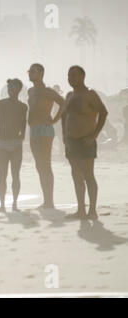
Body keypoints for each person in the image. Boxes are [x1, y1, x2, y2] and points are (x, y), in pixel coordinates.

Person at [63, 66, 108, 220]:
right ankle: (81, 210)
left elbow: (103, 112)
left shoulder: (90, 94)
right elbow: (65, 115)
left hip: (86, 140)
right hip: (71, 141)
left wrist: (94, 135)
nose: (70, 78)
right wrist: (64, 135)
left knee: (88, 175)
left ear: (83, 76)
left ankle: (92, 210)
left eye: (74, 75)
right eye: (69, 75)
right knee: (76, 175)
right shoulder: (69, 95)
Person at [0, 79, 28, 212]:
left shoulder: (23, 107)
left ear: (19, 90)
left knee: (15, 174)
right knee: (2, 175)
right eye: (9, 87)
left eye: (13, 87)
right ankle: (2, 205)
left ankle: (14, 203)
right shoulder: (0, 104)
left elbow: (23, 122)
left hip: (15, 144)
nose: (10, 89)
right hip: (3, 144)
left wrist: (23, 134)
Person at [27, 63, 65, 209]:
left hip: (44, 129)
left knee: (45, 164)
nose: (30, 74)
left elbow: (63, 103)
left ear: (41, 73)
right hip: (33, 129)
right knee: (39, 165)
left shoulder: (48, 91)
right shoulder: (30, 91)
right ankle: (46, 200)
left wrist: (55, 119)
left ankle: (50, 201)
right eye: (29, 71)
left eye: (33, 71)